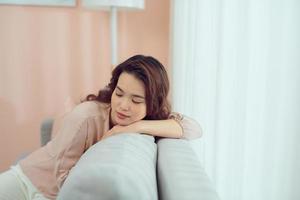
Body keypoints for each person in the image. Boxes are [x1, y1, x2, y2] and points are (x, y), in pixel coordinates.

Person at [0, 55, 203, 200]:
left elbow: (194, 128)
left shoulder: (146, 121)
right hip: (27, 181)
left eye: (136, 100)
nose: (123, 105)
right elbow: (60, 178)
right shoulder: (86, 116)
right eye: (119, 93)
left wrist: (133, 127)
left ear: (153, 103)